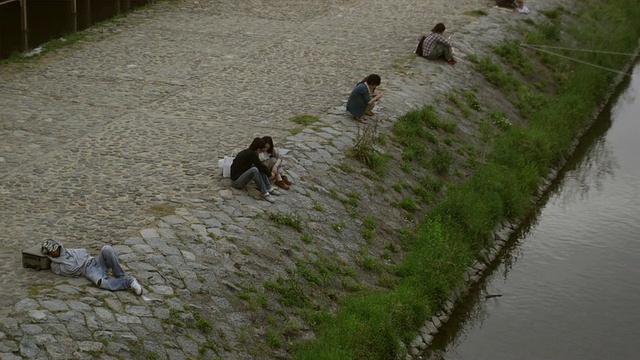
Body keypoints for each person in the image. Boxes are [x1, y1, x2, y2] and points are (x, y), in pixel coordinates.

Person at [41, 238, 143, 295]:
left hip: (94, 260)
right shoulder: (55, 265)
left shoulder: (69, 251)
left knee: (107, 249)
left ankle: (120, 275)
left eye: (57, 248)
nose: (57, 250)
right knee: (101, 283)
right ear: (49, 253)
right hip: (89, 271)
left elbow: (85, 252)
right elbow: (71, 269)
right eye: (54, 250)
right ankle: (129, 281)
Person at [230, 137, 282, 203]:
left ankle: (269, 188)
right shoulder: (251, 154)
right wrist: (269, 174)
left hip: (241, 175)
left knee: (257, 168)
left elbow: (260, 166)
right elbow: (260, 165)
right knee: (254, 170)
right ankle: (264, 192)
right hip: (236, 182)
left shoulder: (250, 152)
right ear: (258, 148)